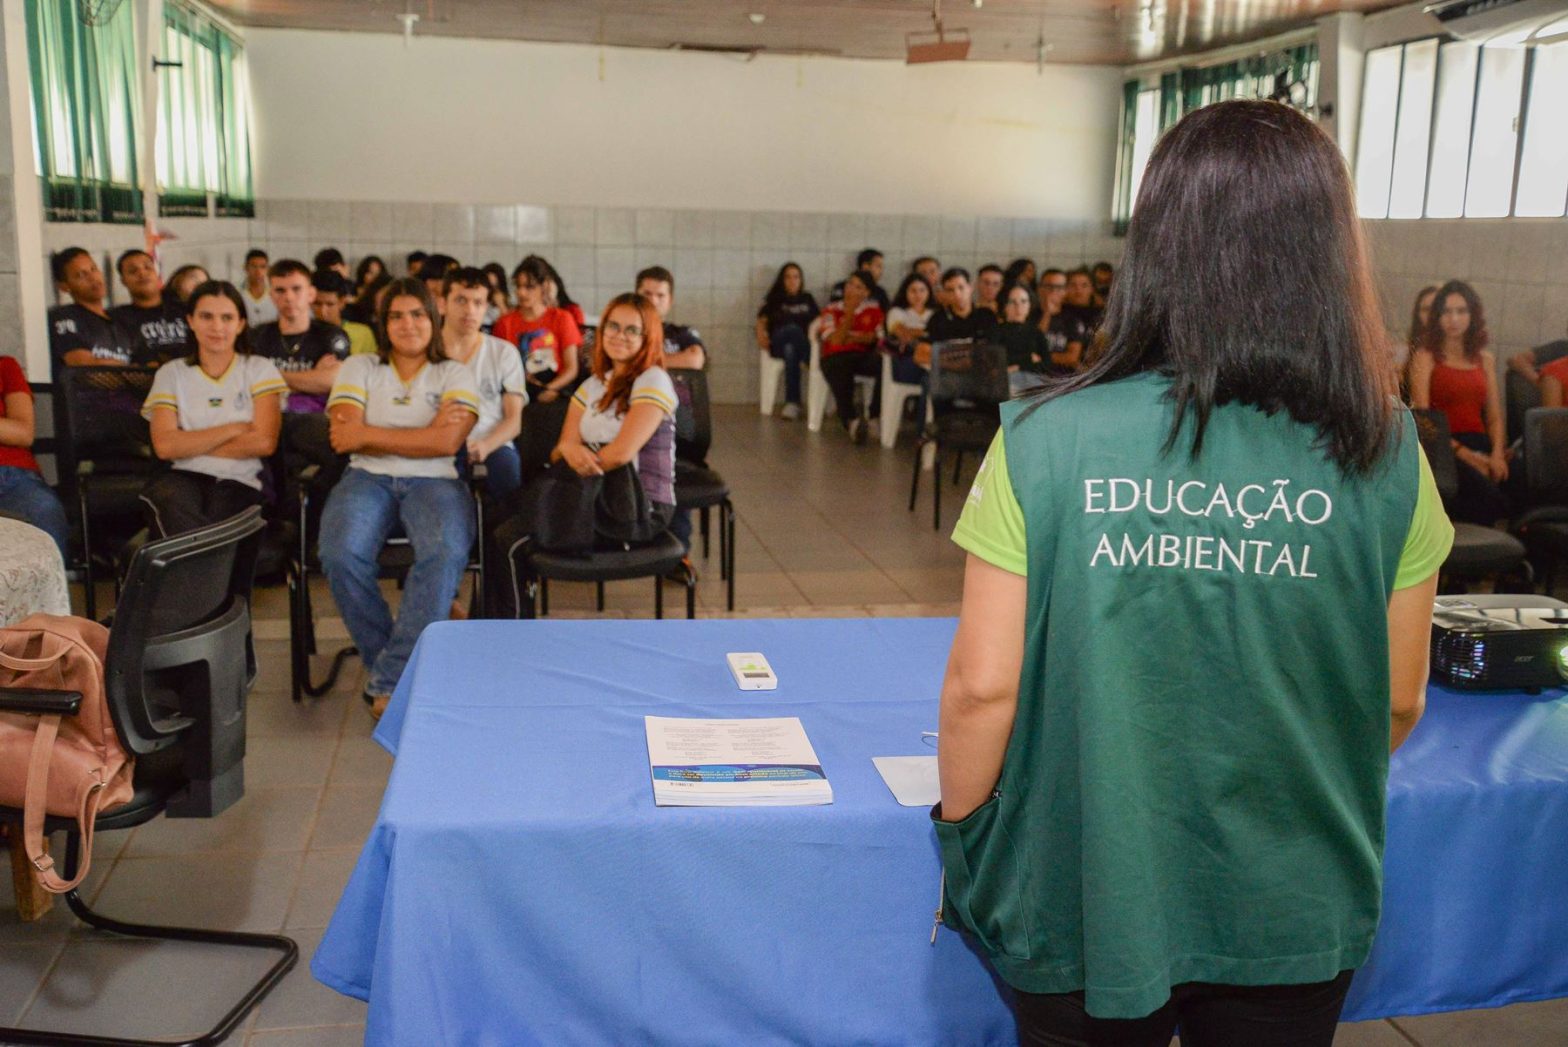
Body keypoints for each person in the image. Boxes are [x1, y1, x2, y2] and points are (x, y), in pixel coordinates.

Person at [934, 99, 1452, 1046]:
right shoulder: (1387, 452)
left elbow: (983, 685)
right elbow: (1399, 698)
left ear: (1157, 246)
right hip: (1293, 894)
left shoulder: (1047, 439)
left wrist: (962, 836)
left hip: (1085, 888)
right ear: (1330, 252)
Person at [320, 278, 479, 718]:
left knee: (444, 552)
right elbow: (341, 436)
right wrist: (424, 434)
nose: (407, 325)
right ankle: (392, 663)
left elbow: (448, 444)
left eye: (417, 314)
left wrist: (370, 434)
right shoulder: (360, 367)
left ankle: (390, 675)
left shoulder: (454, 373)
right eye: (396, 316)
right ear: (382, 322)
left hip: (435, 482)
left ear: (433, 318)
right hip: (366, 478)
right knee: (339, 554)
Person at [139, 281, 285, 538]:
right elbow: (165, 447)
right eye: (206, 316)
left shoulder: (259, 369)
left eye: (227, 317)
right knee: (172, 504)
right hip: (181, 478)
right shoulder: (171, 373)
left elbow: (263, 443)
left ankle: (195, 578)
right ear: (191, 321)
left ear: (240, 324)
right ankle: (203, 577)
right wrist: (234, 428)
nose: (217, 327)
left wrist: (189, 443)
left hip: (242, 481)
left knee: (217, 527)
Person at [556, 291, 679, 537]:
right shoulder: (592, 385)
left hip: (641, 504)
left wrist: (575, 456)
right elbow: (562, 447)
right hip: (596, 491)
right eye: (613, 326)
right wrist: (570, 450)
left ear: (648, 337)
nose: (619, 336)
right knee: (515, 525)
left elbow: (621, 454)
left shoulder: (653, 379)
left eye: (632, 330)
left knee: (526, 532)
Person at [1408, 280, 1509, 525]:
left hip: (1481, 444)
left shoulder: (1484, 359)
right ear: (1436, 317)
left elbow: (1494, 416)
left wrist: (1496, 455)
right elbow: (1424, 420)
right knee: (1487, 496)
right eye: (1446, 311)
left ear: (1473, 315)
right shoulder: (1425, 358)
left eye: (1461, 311)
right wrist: (1468, 456)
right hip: (1444, 449)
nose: (1453, 319)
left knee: (1515, 488)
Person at [251, 259, 352, 487]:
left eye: (296, 289)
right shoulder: (258, 336)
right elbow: (248, 383)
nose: (288, 297)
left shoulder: (331, 336)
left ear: (311, 293)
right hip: (265, 418)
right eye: (280, 290)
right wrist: (310, 378)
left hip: (315, 422)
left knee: (342, 449)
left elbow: (331, 380)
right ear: (271, 295)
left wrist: (271, 375)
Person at [441, 267, 526, 498]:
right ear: (442, 304)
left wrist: (485, 446)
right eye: (461, 300)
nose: (470, 310)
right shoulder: (428, 352)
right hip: (437, 445)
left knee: (506, 470)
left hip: (492, 445)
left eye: (478, 303)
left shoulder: (503, 353)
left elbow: (514, 420)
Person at [0, 354, 70, 558]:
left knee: (45, 510)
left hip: (12, 477)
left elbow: (23, 432)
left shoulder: (6, 366)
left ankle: (51, 589)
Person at [493, 255, 582, 404]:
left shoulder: (561, 318)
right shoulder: (505, 323)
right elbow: (499, 369)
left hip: (555, 389)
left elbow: (571, 368)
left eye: (529, 287)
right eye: (518, 286)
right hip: (517, 392)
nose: (521, 293)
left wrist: (549, 388)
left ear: (544, 287)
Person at [816, 269, 883, 444]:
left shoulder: (874, 311)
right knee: (839, 365)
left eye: (858, 287)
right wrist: (850, 314)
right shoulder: (831, 310)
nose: (851, 289)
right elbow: (836, 341)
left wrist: (850, 337)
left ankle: (875, 416)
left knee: (887, 364)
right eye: (849, 284)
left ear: (866, 292)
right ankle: (851, 420)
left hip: (862, 356)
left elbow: (874, 338)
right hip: (834, 357)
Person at [47, 247, 139, 374]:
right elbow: (82, 363)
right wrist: (133, 371)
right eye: (81, 275)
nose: (92, 278)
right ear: (64, 287)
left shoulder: (122, 320)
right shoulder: (64, 317)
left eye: (93, 269)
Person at [755, 262, 820, 420]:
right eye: (788, 277)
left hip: (795, 346)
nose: (792, 281)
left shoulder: (807, 298)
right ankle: (807, 357)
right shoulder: (775, 300)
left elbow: (819, 321)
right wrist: (761, 336)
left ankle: (792, 403)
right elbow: (761, 321)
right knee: (792, 329)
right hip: (777, 342)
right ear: (782, 280)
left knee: (791, 350)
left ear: (801, 280)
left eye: (796, 277)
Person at [110, 249, 188, 366]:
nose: (142, 273)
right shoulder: (117, 318)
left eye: (148, 267)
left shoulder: (185, 310)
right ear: (123, 281)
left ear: (157, 273)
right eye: (133, 271)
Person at [636, 266, 705, 370]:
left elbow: (695, 360)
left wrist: (641, 363)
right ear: (636, 297)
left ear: (670, 301)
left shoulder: (682, 333)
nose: (653, 301)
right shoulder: (625, 331)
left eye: (660, 295)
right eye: (647, 294)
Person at [923, 267, 998, 362]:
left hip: (981, 371)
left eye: (961, 287)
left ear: (970, 288)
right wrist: (952, 364)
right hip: (948, 372)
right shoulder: (938, 319)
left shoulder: (986, 315)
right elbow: (921, 353)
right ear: (944, 293)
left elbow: (996, 350)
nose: (957, 294)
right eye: (950, 290)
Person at [994, 283, 1052, 394]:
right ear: (1004, 305)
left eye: (1023, 301)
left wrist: (1015, 365)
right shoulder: (996, 331)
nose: (1018, 307)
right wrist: (1028, 358)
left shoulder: (1036, 332)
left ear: (1030, 305)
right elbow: (997, 364)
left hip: (1036, 382)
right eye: (1012, 302)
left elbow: (1047, 365)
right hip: (1007, 383)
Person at [311, 270, 378, 357]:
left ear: (342, 303)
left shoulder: (362, 334)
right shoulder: (302, 335)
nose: (323, 311)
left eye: (330, 304)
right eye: (317, 304)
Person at [1037, 268, 1079, 371]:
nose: (1053, 291)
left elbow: (1072, 357)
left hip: (1061, 377)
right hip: (1034, 374)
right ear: (1039, 289)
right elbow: (1033, 346)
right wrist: (1047, 314)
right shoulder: (1026, 314)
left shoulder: (1072, 321)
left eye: (1059, 287)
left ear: (1065, 292)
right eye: (1049, 286)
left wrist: (1042, 356)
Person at [1058, 267, 1104, 363]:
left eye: (1084, 285)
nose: (1078, 290)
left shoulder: (1102, 315)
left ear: (1092, 289)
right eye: (1073, 285)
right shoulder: (1058, 313)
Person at [535, 257, 586, 329]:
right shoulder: (529, 314)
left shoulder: (572, 310)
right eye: (540, 283)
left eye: (548, 280)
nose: (546, 286)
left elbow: (578, 337)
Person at [240, 249, 278, 325]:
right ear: (246, 268)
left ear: (268, 269)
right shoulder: (239, 297)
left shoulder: (275, 296)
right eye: (254, 266)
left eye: (263, 267)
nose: (258, 271)